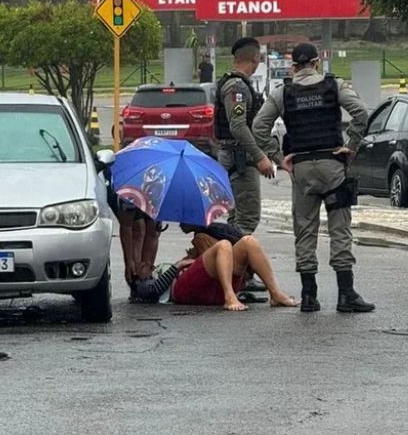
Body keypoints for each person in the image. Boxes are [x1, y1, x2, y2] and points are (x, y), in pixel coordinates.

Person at [252, 42, 374, 313]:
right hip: (333, 164)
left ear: (294, 67)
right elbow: (361, 113)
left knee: (305, 230)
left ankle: (309, 295)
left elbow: (259, 126)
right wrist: (351, 146)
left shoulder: (283, 92)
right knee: (339, 228)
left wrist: (277, 156)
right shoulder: (334, 86)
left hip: (302, 167)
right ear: (317, 63)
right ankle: (346, 294)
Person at [213, 37, 275, 235]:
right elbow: (238, 126)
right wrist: (260, 157)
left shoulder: (235, 84)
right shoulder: (237, 88)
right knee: (247, 219)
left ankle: (231, 262)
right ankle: (232, 261)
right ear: (256, 58)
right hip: (239, 160)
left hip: (234, 157)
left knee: (236, 220)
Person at [134, 237, 298, 311]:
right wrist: (177, 266)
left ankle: (275, 294)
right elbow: (153, 290)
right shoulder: (144, 283)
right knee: (223, 246)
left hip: (211, 287)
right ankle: (229, 296)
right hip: (184, 290)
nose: (147, 264)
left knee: (249, 242)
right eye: (143, 267)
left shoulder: (159, 267)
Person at [104, 164, 160, 300]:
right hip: (126, 190)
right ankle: (134, 278)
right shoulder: (128, 190)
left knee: (153, 227)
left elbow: (153, 234)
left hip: (152, 187)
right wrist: (129, 263)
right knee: (138, 228)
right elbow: (127, 228)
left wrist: (147, 267)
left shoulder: (160, 187)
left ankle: (145, 277)